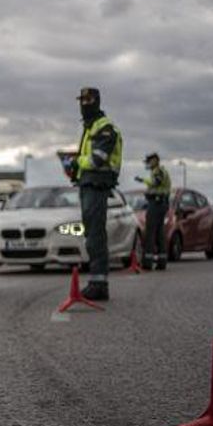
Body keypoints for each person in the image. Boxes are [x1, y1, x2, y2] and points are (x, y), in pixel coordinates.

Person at [70, 87, 123, 301]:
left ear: (97, 101)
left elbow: (97, 159)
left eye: (89, 99)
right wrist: (75, 169)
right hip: (88, 184)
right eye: (82, 100)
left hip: (97, 184)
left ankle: (99, 284)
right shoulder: (90, 127)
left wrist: (77, 162)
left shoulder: (105, 127)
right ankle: (97, 282)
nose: (84, 103)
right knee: (92, 234)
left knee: (95, 236)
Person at [135, 152, 171, 270]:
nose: (148, 164)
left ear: (155, 161)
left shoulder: (158, 171)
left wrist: (143, 180)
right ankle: (161, 261)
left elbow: (156, 182)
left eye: (149, 161)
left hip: (156, 204)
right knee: (159, 233)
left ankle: (148, 262)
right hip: (160, 203)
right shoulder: (160, 171)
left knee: (150, 232)